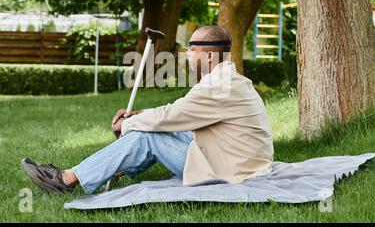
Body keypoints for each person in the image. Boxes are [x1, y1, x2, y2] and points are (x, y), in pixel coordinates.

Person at [21, 25, 274, 194]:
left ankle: (67, 179)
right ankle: (121, 165)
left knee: (146, 136)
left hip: (232, 172)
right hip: (237, 159)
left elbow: (171, 117)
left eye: (192, 49)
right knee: (151, 127)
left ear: (209, 56)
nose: (186, 55)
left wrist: (128, 125)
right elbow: (179, 112)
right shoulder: (224, 79)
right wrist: (140, 116)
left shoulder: (219, 86)